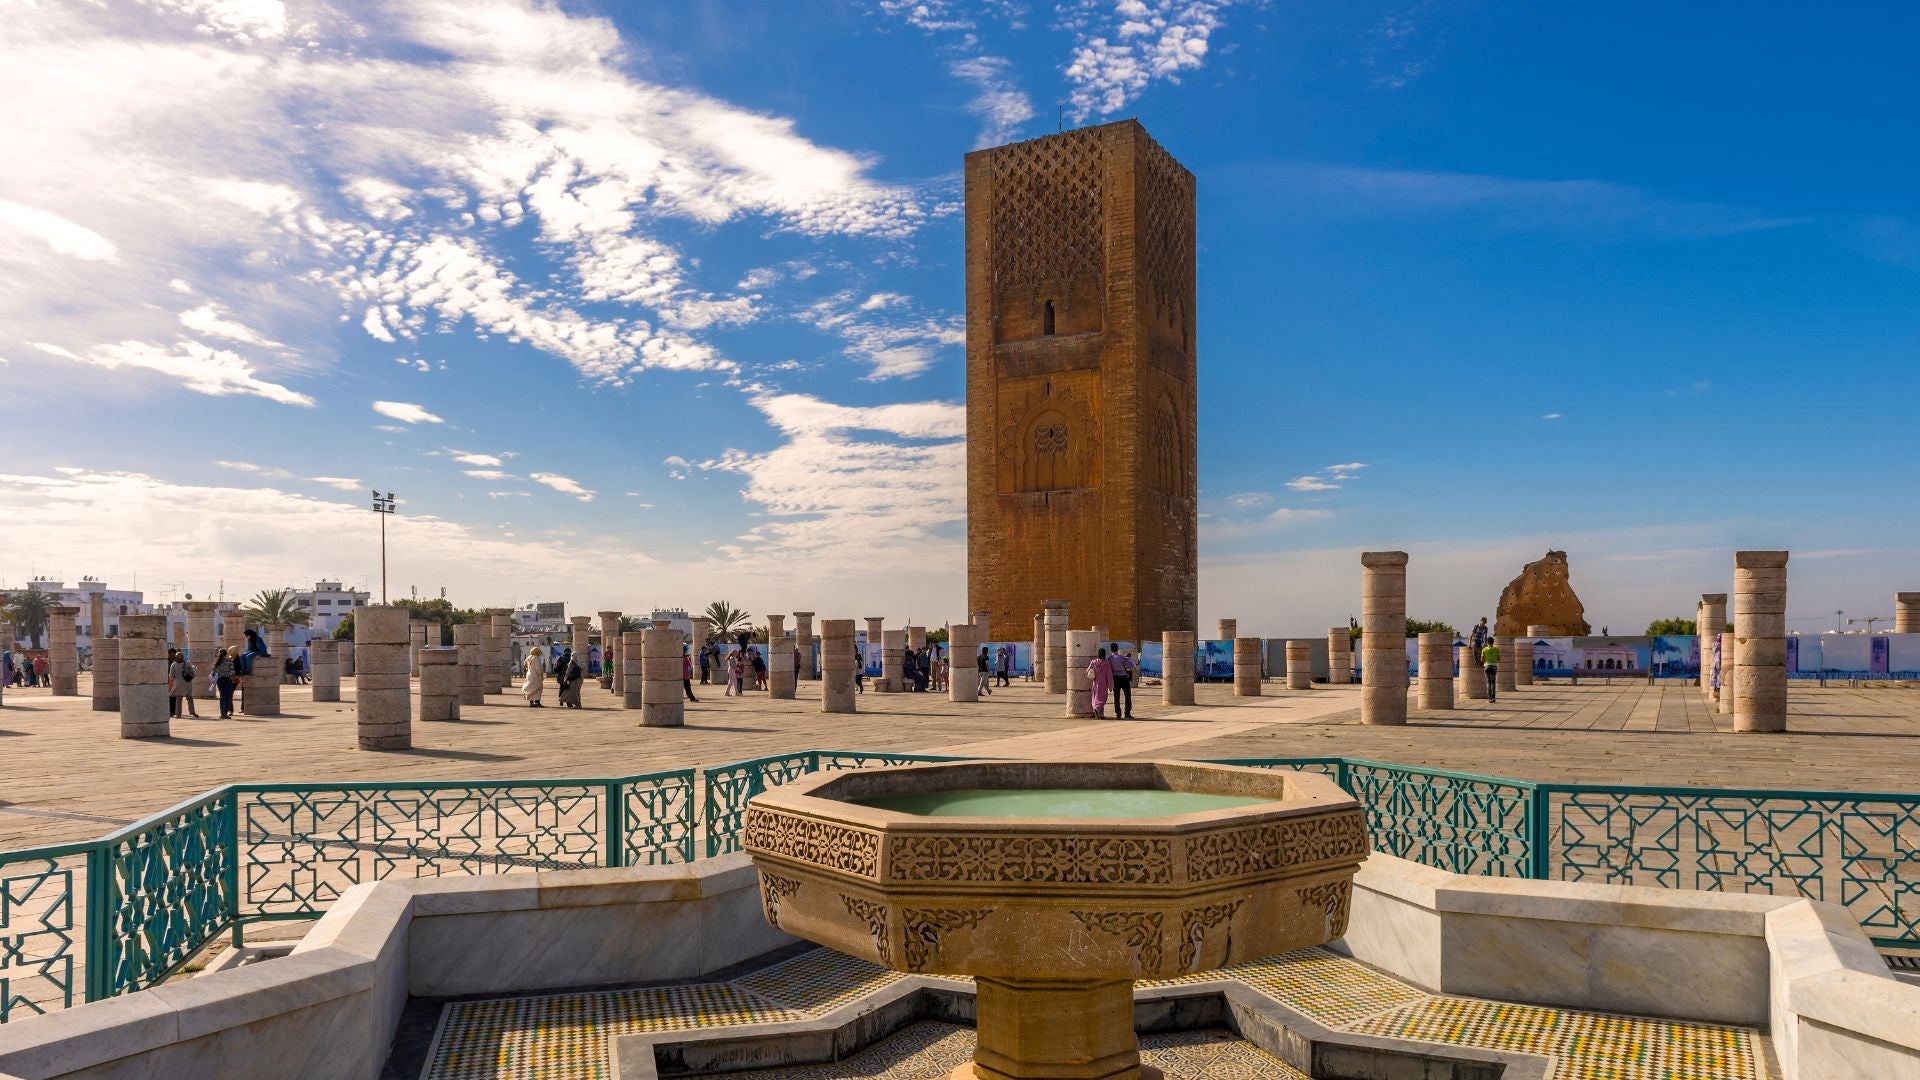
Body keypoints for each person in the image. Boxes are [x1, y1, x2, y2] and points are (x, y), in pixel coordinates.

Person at [169, 648, 200, 718]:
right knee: (189, 698)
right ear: (183, 657)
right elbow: (193, 673)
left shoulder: (173, 665)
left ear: (176, 657)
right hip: (187, 682)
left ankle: (178, 714)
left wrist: (176, 677)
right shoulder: (187, 663)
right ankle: (192, 712)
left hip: (178, 683)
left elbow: (171, 676)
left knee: (178, 699)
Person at [1108, 643, 1136, 719]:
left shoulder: (1109, 659)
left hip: (1115, 678)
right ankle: (1127, 713)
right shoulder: (1122, 658)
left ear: (1111, 649)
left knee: (1116, 696)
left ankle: (1118, 714)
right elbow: (1132, 665)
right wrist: (1130, 660)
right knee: (1127, 695)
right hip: (1123, 677)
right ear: (1117, 648)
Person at [212, 647, 237, 719]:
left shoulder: (216, 662)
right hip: (227, 680)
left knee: (222, 697)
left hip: (219, 680)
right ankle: (225, 713)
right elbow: (232, 672)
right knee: (227, 697)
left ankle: (222, 713)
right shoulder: (229, 661)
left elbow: (213, 673)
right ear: (226, 654)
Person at [1089, 646, 1114, 717]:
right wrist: (1110, 685)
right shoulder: (1106, 663)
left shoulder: (1093, 662)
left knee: (1095, 697)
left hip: (1095, 683)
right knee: (1102, 699)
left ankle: (1101, 714)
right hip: (1103, 684)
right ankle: (1096, 709)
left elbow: (1087, 671)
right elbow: (1109, 675)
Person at [1480, 638, 1501, 704]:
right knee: (1493, 682)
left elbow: (1482, 660)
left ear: (1487, 642)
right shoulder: (1497, 649)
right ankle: (1493, 698)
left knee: (1488, 682)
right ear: (1493, 642)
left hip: (1486, 666)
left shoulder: (1484, 649)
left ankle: (1489, 699)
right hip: (1494, 666)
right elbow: (1499, 659)